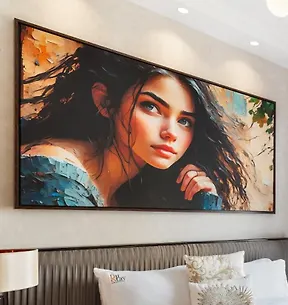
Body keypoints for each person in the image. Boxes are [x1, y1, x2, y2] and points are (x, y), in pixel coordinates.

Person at [19, 33, 251, 210]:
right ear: (106, 102)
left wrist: (206, 201)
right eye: (151, 107)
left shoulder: (132, 190)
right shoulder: (54, 174)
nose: (171, 132)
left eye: (184, 121)